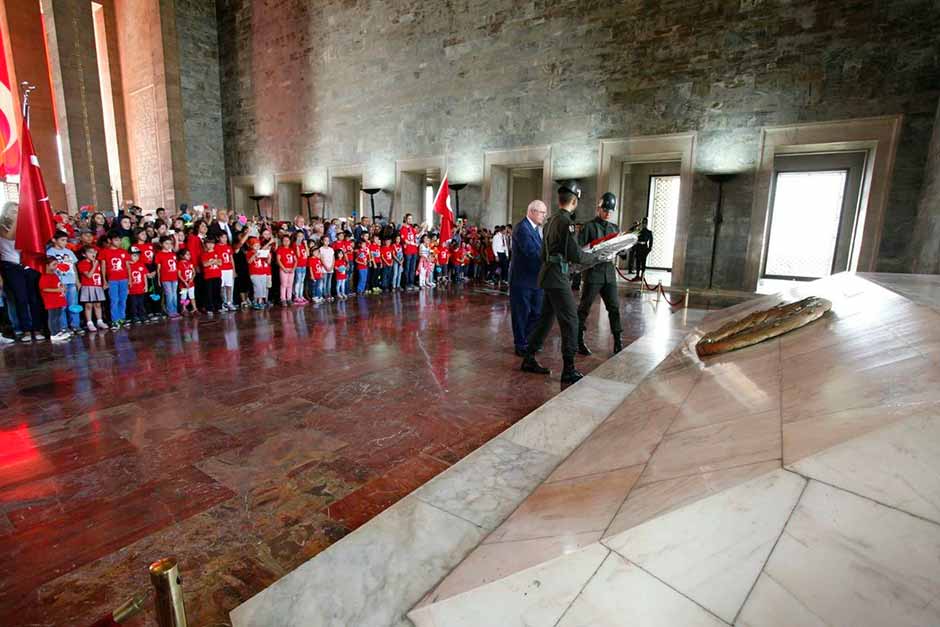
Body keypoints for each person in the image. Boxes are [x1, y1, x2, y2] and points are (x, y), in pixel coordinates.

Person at [520, 181, 589, 384]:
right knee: (571, 321)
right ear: (574, 201)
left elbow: (543, 252)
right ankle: (568, 369)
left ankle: (529, 358)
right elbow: (575, 254)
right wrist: (596, 257)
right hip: (558, 278)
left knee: (545, 320)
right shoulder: (565, 222)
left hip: (548, 274)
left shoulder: (550, 221)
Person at [577, 192, 624, 355]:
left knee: (614, 307)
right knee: (584, 307)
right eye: (605, 209)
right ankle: (578, 339)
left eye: (610, 210)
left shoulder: (615, 228)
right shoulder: (588, 227)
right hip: (593, 272)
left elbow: (621, 252)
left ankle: (618, 340)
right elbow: (580, 249)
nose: (607, 213)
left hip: (609, 272)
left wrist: (625, 245)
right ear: (599, 208)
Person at [509, 200, 547, 356]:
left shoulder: (536, 229)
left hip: (535, 279)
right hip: (522, 280)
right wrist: (549, 259)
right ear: (532, 211)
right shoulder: (522, 228)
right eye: (542, 212)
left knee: (537, 312)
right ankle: (521, 344)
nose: (544, 216)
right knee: (521, 314)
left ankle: (529, 340)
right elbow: (531, 252)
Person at [46, 230, 82, 335]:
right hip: (59, 283)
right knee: (62, 306)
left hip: (71, 281)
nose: (65, 242)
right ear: (54, 240)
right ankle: (63, 327)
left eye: (66, 240)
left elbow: (73, 267)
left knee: (73, 304)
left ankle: (75, 325)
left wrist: (77, 281)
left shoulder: (69, 252)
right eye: (62, 240)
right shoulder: (50, 252)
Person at [100, 232, 130, 329]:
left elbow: (127, 266)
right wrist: (104, 280)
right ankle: (115, 320)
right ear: (110, 240)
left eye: (120, 240)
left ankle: (122, 318)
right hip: (112, 279)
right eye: (116, 240)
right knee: (114, 300)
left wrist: (130, 279)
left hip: (123, 279)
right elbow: (103, 266)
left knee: (123, 299)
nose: (119, 242)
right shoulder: (105, 252)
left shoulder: (123, 252)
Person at [77, 245, 108, 331]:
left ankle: (99, 321)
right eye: (90, 252)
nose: (93, 254)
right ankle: (89, 322)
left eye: (94, 252)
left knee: (98, 304)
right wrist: (94, 265)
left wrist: (104, 282)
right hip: (88, 286)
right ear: (84, 254)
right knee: (88, 305)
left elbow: (101, 274)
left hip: (97, 286)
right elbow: (89, 275)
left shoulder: (98, 262)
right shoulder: (82, 263)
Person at [39, 256, 70, 341]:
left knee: (58, 316)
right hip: (51, 301)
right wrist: (57, 290)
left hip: (58, 300)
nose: (56, 266)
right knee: (52, 317)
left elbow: (58, 284)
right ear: (47, 265)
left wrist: (63, 287)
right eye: (54, 264)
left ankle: (58, 331)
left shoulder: (55, 275)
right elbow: (44, 288)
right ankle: (53, 334)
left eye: (57, 264)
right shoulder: (45, 276)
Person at [155, 236, 179, 318]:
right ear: (161, 244)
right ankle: (170, 311)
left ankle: (175, 310)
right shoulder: (159, 255)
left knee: (174, 295)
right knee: (169, 295)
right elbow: (158, 269)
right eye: (166, 243)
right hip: (165, 278)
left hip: (174, 277)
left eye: (170, 243)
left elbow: (176, 266)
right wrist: (158, 279)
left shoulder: (172, 254)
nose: (168, 245)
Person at [245, 237, 271, 309]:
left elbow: (267, 262)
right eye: (255, 245)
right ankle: (255, 301)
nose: (257, 247)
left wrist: (268, 256)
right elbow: (249, 261)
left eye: (258, 245)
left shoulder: (261, 252)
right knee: (257, 287)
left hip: (262, 272)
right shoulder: (249, 253)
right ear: (251, 246)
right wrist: (254, 255)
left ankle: (260, 301)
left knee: (262, 287)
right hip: (254, 273)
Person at [126, 247, 150, 324]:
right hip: (132, 289)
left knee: (141, 303)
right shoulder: (127, 265)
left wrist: (146, 286)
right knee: (133, 304)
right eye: (134, 255)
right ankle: (134, 317)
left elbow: (144, 276)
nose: (136, 257)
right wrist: (127, 288)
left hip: (141, 288)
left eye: (137, 255)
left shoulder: (141, 264)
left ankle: (142, 315)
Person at [201, 236, 224, 314]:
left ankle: (218, 307)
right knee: (209, 293)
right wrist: (214, 261)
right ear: (205, 244)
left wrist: (211, 262)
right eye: (208, 243)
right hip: (208, 276)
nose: (210, 245)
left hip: (217, 275)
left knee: (217, 292)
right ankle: (209, 308)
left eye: (212, 243)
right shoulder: (204, 254)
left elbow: (220, 263)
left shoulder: (217, 253)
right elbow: (205, 264)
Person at [400, 213, 419, 290]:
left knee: (413, 268)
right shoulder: (403, 229)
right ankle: (406, 284)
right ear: (405, 219)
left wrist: (423, 230)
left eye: (411, 219)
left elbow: (416, 236)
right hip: (408, 251)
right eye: (409, 219)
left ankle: (411, 283)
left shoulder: (411, 228)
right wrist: (412, 243)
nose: (410, 220)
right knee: (407, 268)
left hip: (414, 251)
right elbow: (405, 240)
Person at [177, 249, 198, 315]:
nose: (189, 256)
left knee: (192, 296)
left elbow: (194, 272)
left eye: (189, 254)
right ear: (182, 256)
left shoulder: (190, 263)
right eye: (187, 254)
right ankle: (184, 309)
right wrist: (184, 282)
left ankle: (195, 308)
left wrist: (192, 279)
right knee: (183, 297)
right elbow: (179, 274)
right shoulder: (180, 263)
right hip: (183, 285)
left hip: (191, 283)